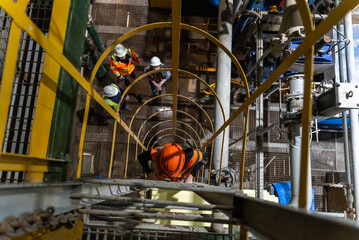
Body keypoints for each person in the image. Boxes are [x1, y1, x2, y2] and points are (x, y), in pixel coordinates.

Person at [138, 143, 207, 183]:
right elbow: (141, 157)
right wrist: (149, 173)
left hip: (180, 179)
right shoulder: (156, 153)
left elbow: (204, 157)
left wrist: (191, 176)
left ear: (183, 160)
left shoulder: (190, 154)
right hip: (160, 180)